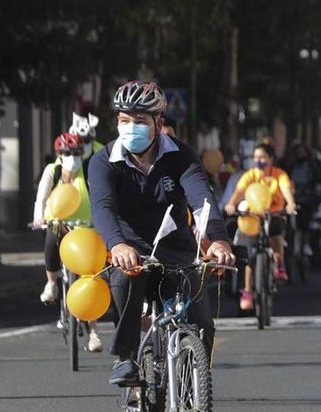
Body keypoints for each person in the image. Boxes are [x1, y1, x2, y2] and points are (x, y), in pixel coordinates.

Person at [88, 80, 235, 386]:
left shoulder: (181, 155)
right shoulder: (103, 162)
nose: (131, 128)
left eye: (140, 121)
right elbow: (102, 207)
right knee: (126, 280)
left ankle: (192, 391)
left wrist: (218, 239)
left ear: (159, 123)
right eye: (124, 121)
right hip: (130, 251)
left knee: (202, 324)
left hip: (176, 251)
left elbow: (201, 199)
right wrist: (116, 245)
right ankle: (126, 357)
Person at [32, 132, 104, 353]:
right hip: (60, 224)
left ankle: (93, 332)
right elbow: (42, 198)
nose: (71, 157)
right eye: (66, 153)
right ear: (59, 155)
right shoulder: (52, 171)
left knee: (91, 275)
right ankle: (52, 284)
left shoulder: (89, 171)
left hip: (87, 229)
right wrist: (39, 218)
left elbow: (100, 197)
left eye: (75, 153)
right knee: (51, 239)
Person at [224, 143, 297, 309]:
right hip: (253, 218)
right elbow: (239, 192)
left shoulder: (279, 175)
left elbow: (286, 190)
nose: (258, 161)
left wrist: (291, 204)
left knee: (277, 233)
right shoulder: (250, 175)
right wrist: (230, 204)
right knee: (250, 254)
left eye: (262, 157)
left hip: (274, 215)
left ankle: (279, 264)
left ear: (271, 159)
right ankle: (248, 290)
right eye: (255, 158)